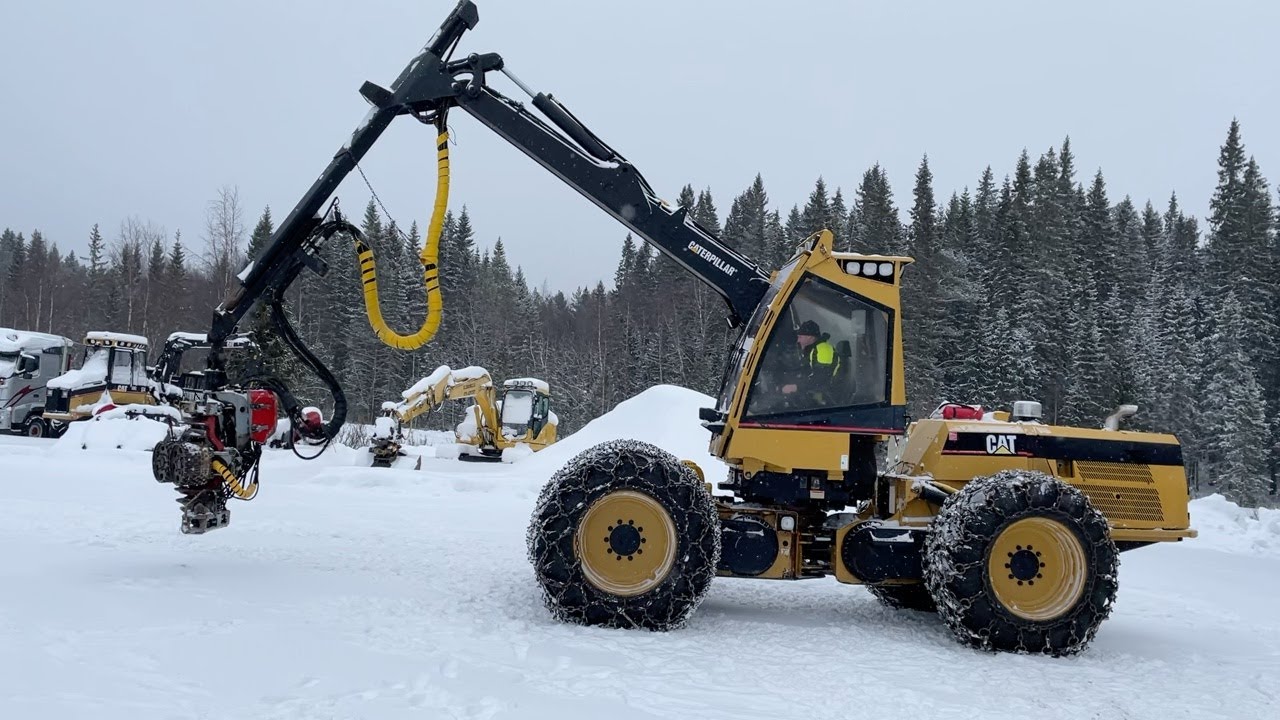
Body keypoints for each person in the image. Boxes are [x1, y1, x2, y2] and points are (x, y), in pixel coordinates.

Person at [781, 319, 841, 403]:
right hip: (821, 394)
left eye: (800, 337)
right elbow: (808, 373)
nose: (798, 340)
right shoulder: (813, 350)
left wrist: (795, 387)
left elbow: (821, 378)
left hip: (828, 398)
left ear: (810, 337)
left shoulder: (823, 350)